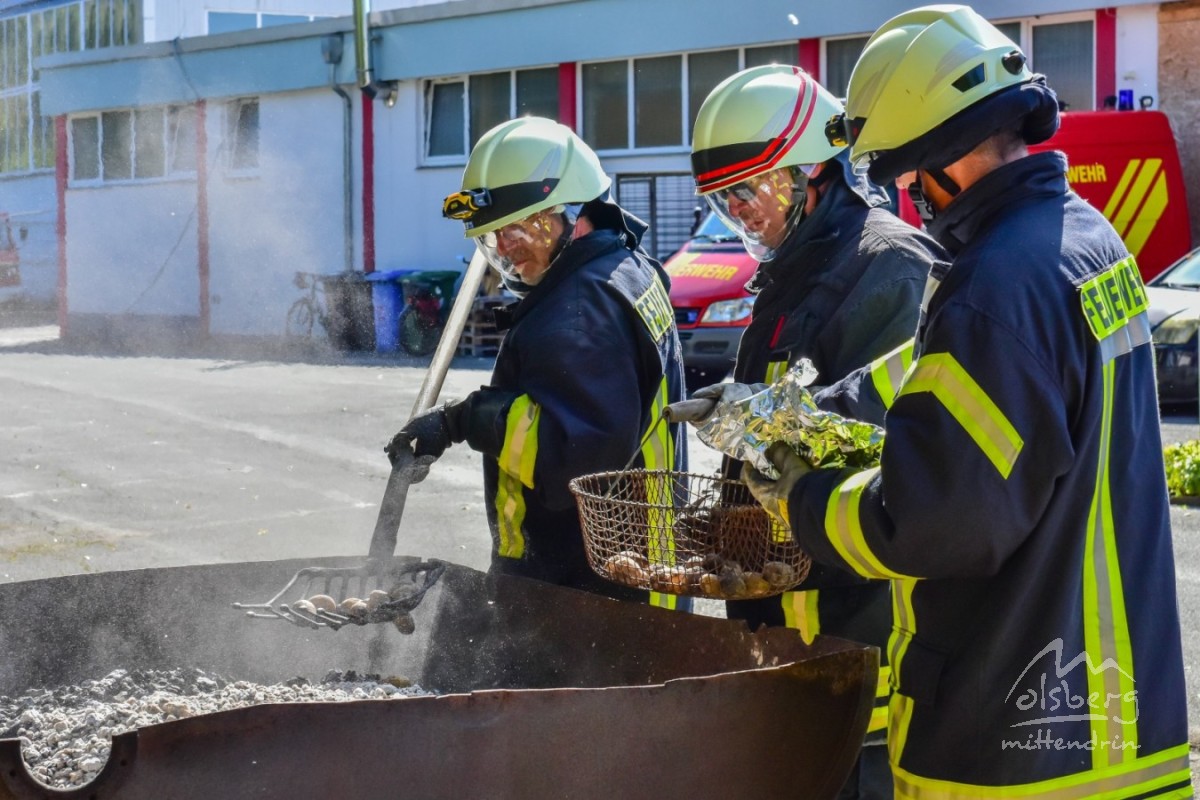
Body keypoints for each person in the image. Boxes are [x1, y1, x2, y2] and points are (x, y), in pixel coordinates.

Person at [744, 6, 1191, 797]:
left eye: (901, 171)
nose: (905, 193)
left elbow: (935, 522)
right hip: (1119, 723)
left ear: (936, 151)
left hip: (1016, 743)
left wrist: (799, 498)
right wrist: (804, 409)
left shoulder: (995, 286)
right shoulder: (1083, 241)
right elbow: (951, 379)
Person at [687, 64, 947, 799]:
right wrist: (728, 514)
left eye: (749, 190)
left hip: (855, 630)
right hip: (787, 627)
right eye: (723, 197)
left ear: (811, 171)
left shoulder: (887, 264)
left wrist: (756, 436)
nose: (738, 212)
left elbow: (878, 444)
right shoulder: (793, 272)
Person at [388, 116, 690, 611]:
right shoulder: (621, 269)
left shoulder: (577, 313)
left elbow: (572, 460)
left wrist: (463, 420)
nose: (504, 248)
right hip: (631, 563)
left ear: (571, 213)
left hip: (590, 589)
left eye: (518, 229)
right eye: (494, 235)